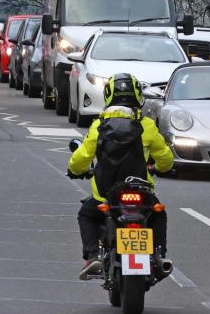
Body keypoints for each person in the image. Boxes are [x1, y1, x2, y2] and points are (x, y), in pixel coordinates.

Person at [67, 72, 174, 280]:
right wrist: (160, 167)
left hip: (106, 195)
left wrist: (74, 170)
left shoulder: (99, 126)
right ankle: (159, 255)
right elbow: (165, 159)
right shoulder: (147, 126)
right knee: (158, 214)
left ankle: (93, 254)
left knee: (86, 214)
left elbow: (82, 157)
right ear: (137, 96)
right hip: (142, 194)